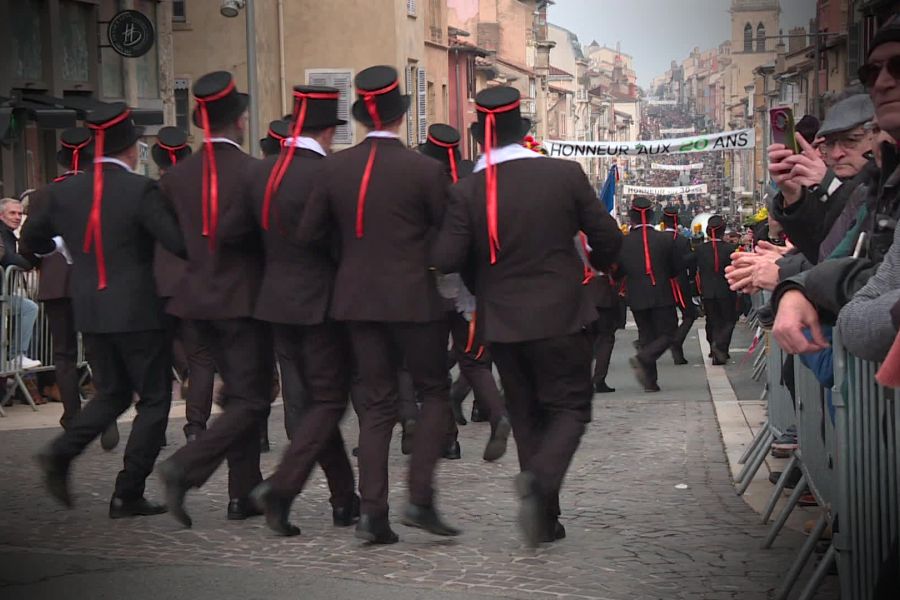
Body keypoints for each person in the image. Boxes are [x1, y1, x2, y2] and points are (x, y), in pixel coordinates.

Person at [432, 86, 622, 546]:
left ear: (480, 137)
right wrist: (591, 266)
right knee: (570, 407)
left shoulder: (467, 189)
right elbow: (609, 239)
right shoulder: (564, 174)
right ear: (526, 130)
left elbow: (448, 257)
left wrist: (485, 284)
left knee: (525, 415)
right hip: (561, 314)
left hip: (503, 322)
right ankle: (540, 484)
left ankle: (544, 517)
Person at [297, 65, 457, 544]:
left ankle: (372, 514)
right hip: (414, 299)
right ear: (400, 116)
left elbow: (308, 236)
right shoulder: (426, 170)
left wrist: (350, 260)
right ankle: (420, 499)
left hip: (357, 300)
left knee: (377, 405)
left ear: (364, 116)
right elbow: (449, 237)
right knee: (433, 393)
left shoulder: (333, 167)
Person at [25, 102, 186, 519]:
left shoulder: (61, 192)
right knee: (153, 400)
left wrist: (66, 249)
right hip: (139, 311)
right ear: (132, 148)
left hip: (91, 309)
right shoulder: (140, 189)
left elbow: (32, 244)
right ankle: (127, 491)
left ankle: (61, 452)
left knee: (112, 393)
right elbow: (177, 242)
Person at [156, 71, 272, 526]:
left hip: (193, 299)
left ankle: (243, 494)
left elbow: (171, 241)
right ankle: (185, 467)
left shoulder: (175, 177)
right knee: (252, 401)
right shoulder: (254, 172)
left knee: (240, 397)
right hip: (241, 300)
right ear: (239, 122)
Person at [247, 85, 359, 537]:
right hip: (322, 306)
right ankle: (283, 487)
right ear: (330, 129)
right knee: (329, 402)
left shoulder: (262, 173)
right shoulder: (329, 175)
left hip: (274, 302)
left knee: (310, 407)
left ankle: (343, 499)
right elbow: (340, 244)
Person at [419, 123, 510, 462]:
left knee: (431, 367)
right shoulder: (476, 175)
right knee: (473, 360)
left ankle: (449, 440)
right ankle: (497, 414)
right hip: (470, 281)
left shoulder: (420, 174)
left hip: (428, 279)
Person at [150, 126, 219, 447]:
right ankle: (195, 426)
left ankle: (155, 425)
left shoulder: (150, 192)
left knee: (158, 356)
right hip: (193, 279)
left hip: (157, 282)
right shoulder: (202, 192)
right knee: (201, 357)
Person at [21, 128, 90, 429]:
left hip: (56, 281)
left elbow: (27, 243)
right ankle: (106, 412)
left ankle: (72, 413)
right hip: (93, 279)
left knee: (63, 353)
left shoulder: (41, 195)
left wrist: (41, 258)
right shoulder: (96, 189)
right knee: (98, 349)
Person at [617, 197, 679, 392]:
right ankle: (644, 359)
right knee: (669, 333)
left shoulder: (622, 242)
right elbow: (674, 269)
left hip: (636, 295)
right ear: (652, 216)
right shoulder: (666, 239)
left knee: (646, 337)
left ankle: (650, 382)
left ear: (631, 217)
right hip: (661, 293)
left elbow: (618, 272)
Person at [0, 197, 41, 370]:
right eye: (12, 213)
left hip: (4, 293)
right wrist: (28, 264)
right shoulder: (3, 232)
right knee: (28, 308)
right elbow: (8, 257)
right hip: (2, 294)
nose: (17, 217)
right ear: (1, 215)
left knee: (28, 307)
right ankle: (15, 356)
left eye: (20, 213)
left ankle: (14, 356)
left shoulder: (8, 234)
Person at [696, 215, 738, 365]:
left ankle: (714, 346)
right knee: (729, 320)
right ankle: (721, 347)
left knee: (712, 321)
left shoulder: (700, 249)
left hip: (707, 291)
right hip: (726, 290)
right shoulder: (730, 249)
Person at [661, 206, 697, 365]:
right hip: (679, 282)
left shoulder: (658, 238)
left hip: (661, 284)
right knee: (689, 314)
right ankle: (676, 342)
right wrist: (690, 278)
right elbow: (690, 263)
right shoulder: (682, 240)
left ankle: (672, 348)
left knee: (667, 317)